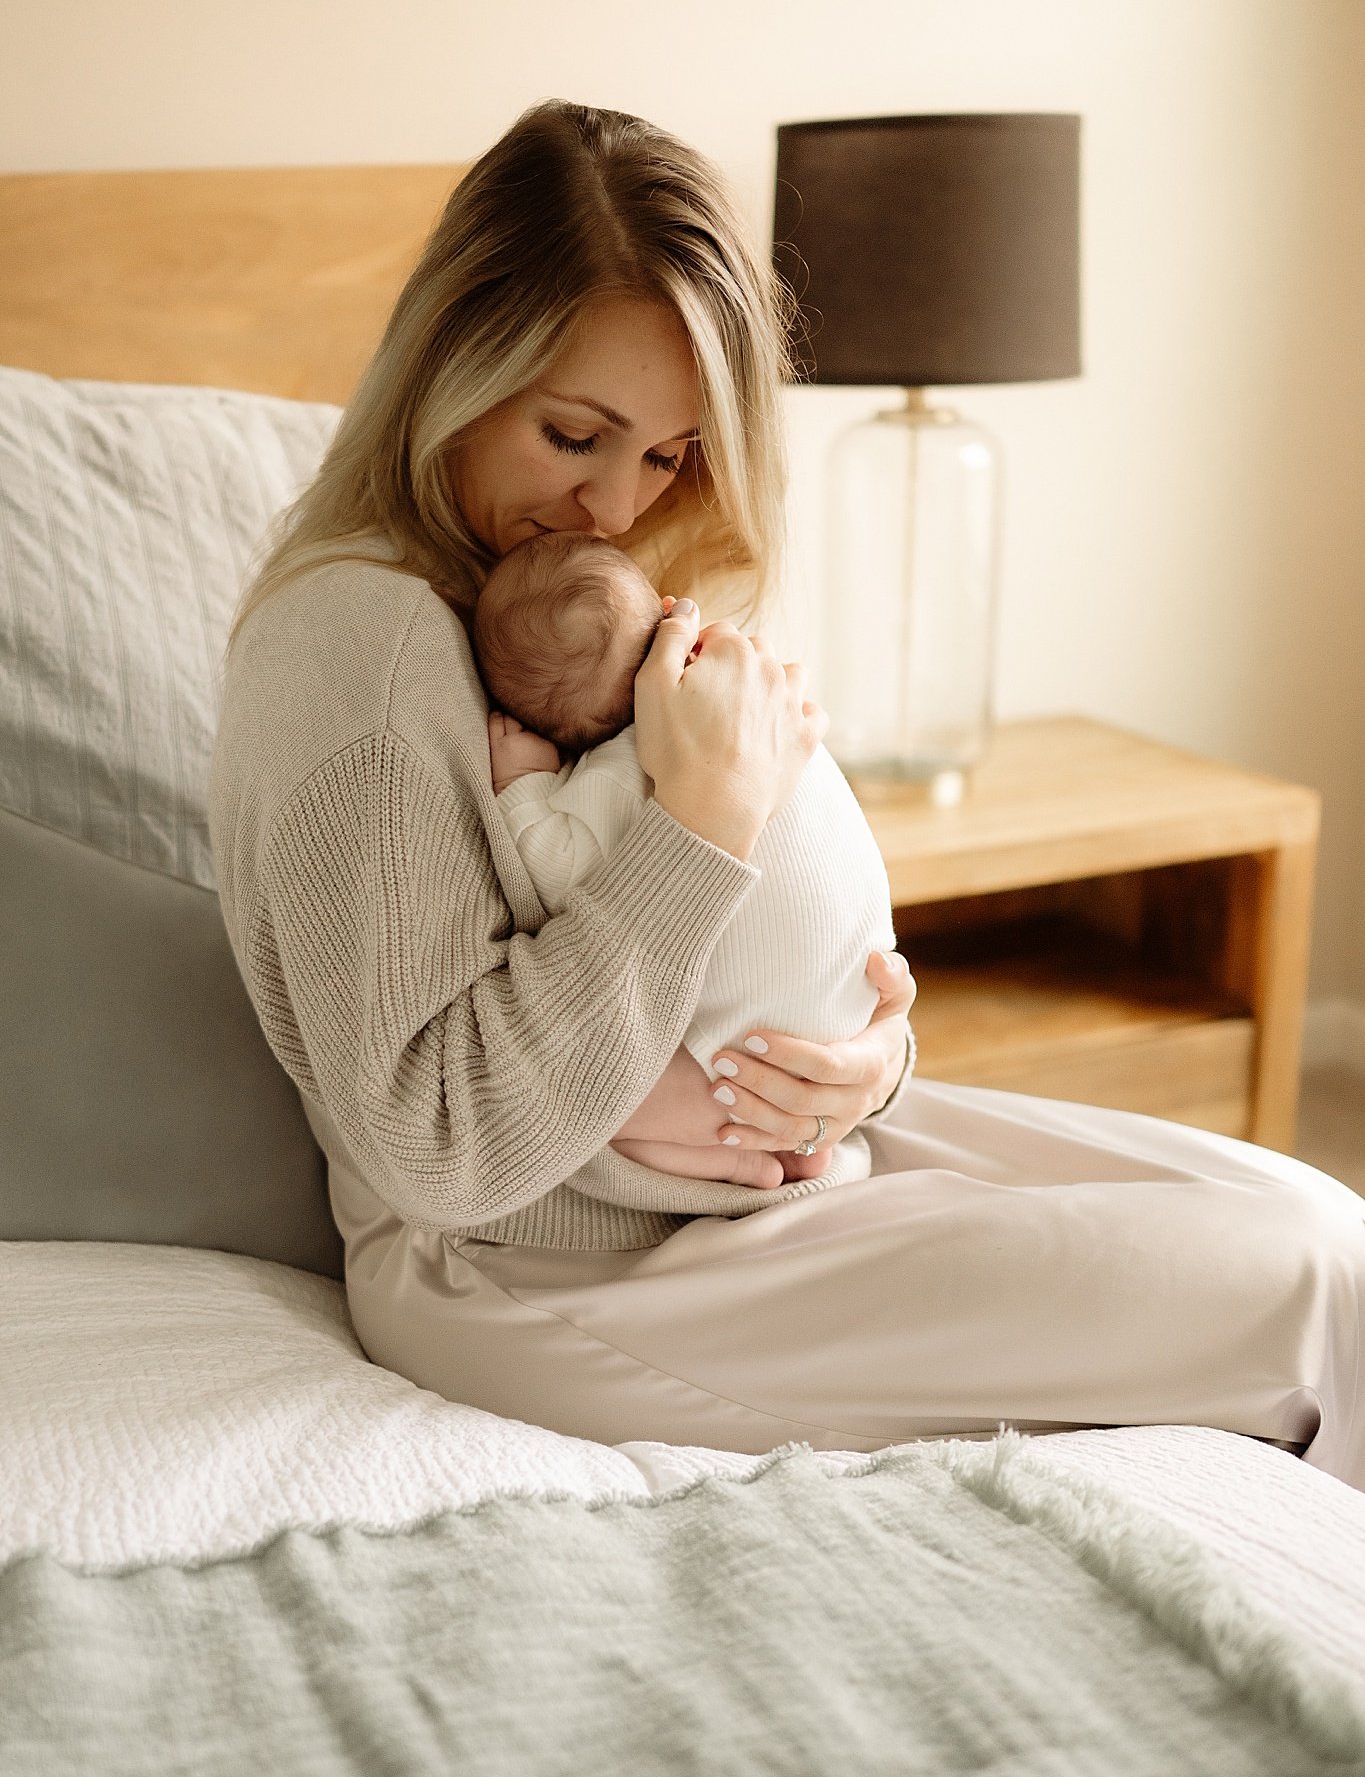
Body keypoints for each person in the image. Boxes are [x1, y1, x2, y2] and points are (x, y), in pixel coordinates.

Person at [209, 99, 1365, 1489]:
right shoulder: (362, 647)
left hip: (714, 1190)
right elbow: (443, 1139)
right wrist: (700, 825)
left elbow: (715, 942)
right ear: (452, 364)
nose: (614, 508)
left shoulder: (539, 591)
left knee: (1310, 1215)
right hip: (561, 1268)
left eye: (667, 454)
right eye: (574, 434)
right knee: (1307, 1290)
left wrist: (865, 1065)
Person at [471, 528, 906, 1188]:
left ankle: (738, 1159)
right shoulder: (758, 708)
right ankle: (792, 1143)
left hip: (752, 1053)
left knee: (622, 1132)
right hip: (861, 992)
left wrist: (526, 789)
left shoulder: (610, 780)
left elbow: (557, 872)